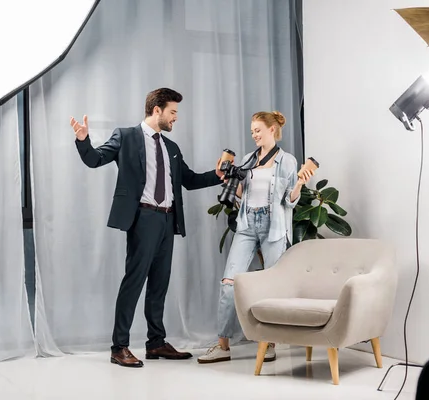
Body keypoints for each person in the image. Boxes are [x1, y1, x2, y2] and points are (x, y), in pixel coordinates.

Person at [70, 88, 224, 368]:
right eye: (173, 112)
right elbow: (95, 160)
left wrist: (218, 175)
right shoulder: (126, 136)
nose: (176, 118)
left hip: (168, 220)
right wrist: (83, 140)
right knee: (134, 280)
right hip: (142, 218)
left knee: (159, 283)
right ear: (157, 110)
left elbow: (188, 180)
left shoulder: (171, 148)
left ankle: (156, 343)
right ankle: (119, 347)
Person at [197, 111, 314, 364]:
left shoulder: (288, 161)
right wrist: (230, 177)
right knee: (229, 281)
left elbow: (289, 202)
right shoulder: (249, 159)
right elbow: (240, 193)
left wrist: (300, 185)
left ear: (272, 130)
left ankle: (269, 342)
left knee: (271, 284)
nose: (254, 135)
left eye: (258, 130)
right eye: (252, 131)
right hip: (247, 222)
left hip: (274, 225)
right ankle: (222, 345)